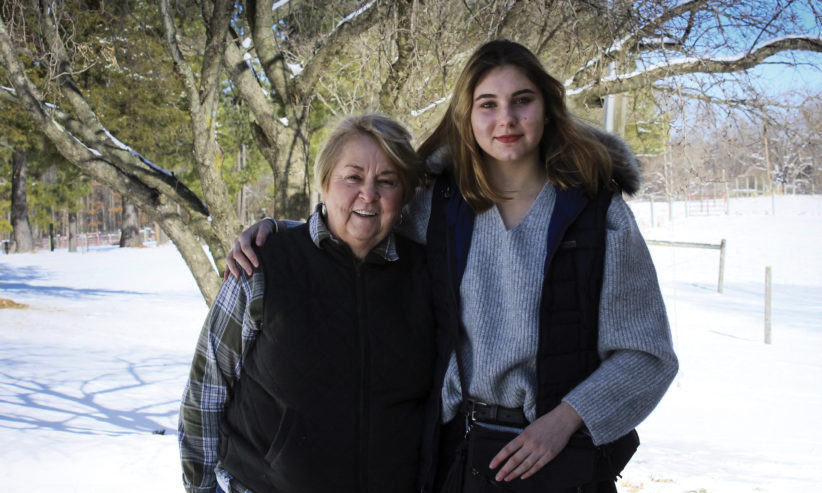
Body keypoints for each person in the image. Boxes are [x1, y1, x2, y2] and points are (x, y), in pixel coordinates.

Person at [225, 40, 678, 493]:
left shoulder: (597, 215)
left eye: (523, 100)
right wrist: (278, 232)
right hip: (453, 458)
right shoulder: (438, 208)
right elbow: (359, 220)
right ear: (466, 115)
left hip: (556, 460)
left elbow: (647, 357)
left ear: (548, 107)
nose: (506, 119)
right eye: (488, 104)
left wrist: (563, 421)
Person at [179, 114, 436, 493]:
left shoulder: (426, 275)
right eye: (353, 177)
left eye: (387, 181)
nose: (368, 194)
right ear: (326, 180)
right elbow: (208, 386)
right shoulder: (263, 263)